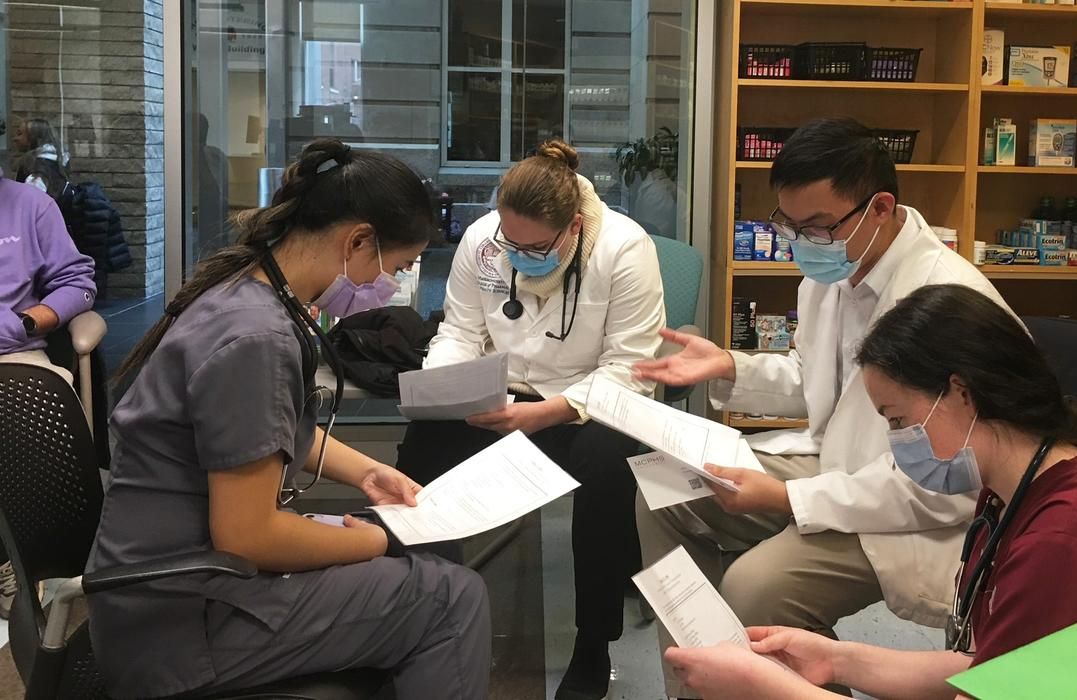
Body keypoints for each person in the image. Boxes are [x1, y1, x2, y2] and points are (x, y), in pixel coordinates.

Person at [86, 140, 491, 699]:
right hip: (182, 621)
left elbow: (261, 432)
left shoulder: (242, 292)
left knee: (432, 556)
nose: (389, 286)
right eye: (395, 268)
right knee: (450, 598)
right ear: (357, 242)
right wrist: (380, 540)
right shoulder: (257, 337)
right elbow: (250, 536)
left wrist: (366, 474)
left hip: (172, 586)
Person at [660, 283, 1077, 700]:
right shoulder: (1019, 480)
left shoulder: (1063, 542)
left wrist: (768, 690)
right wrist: (834, 661)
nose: (897, 442)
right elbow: (991, 666)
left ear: (961, 393)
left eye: (899, 420)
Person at [632, 117, 1012, 698]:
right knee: (666, 490)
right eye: (789, 223)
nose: (802, 242)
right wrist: (730, 365)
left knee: (757, 588)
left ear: (880, 208)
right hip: (841, 467)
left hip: (920, 508)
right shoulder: (833, 272)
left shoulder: (944, 300)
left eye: (816, 226)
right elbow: (821, 384)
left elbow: (946, 480)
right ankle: (700, 687)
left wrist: (787, 497)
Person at [396, 139, 666, 700]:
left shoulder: (623, 248)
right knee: (422, 445)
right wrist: (447, 389)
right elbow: (461, 331)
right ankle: (415, 599)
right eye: (508, 240)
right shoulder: (483, 239)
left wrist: (545, 414)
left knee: (608, 465)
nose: (516, 252)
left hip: (585, 406)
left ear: (572, 227)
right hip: (500, 398)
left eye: (535, 245)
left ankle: (594, 643)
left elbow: (631, 368)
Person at [0, 166, 96, 619]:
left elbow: (77, 283)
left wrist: (28, 321)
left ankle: (18, 556)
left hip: (12, 353)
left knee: (26, 405)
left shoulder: (30, 206)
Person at [12, 117, 70, 197]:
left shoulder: (39, 169)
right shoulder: (55, 161)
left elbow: (32, 202)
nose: (15, 139)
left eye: (20, 134)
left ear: (34, 139)